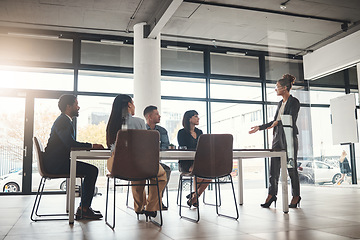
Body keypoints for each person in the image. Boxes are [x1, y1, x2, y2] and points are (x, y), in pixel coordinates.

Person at [44, 94, 104, 220]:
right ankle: (84, 209)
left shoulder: (64, 121)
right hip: (56, 164)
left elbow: (68, 143)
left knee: (91, 170)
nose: (78, 107)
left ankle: (84, 208)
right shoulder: (63, 121)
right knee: (92, 170)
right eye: (76, 104)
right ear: (68, 106)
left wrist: (89, 146)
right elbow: (70, 143)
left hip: (57, 162)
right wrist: (92, 145)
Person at [106, 94, 167, 218]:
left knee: (136, 174)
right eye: (133, 103)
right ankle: (150, 207)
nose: (134, 106)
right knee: (160, 175)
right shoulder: (139, 122)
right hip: (137, 162)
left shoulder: (111, 124)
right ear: (129, 105)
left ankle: (139, 207)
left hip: (116, 164)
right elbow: (144, 146)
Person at [249, 74, 301, 208]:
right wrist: (260, 127)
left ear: (285, 88)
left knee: (291, 168)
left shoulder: (294, 102)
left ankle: (296, 196)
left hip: (289, 137)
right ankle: (271, 195)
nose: (275, 89)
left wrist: (278, 121)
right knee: (274, 168)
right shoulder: (280, 103)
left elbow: (290, 118)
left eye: (277, 87)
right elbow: (274, 121)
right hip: (277, 137)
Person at [177, 110, 211, 208]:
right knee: (200, 173)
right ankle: (195, 198)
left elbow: (203, 147)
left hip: (199, 162)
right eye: (196, 116)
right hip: (186, 163)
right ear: (189, 119)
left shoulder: (200, 132)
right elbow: (183, 148)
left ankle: (195, 197)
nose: (198, 118)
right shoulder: (182, 133)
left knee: (210, 174)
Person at [143, 105, 171, 210]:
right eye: (157, 114)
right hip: (142, 163)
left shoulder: (162, 131)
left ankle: (157, 200)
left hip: (155, 163)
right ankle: (152, 202)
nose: (160, 116)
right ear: (149, 116)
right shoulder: (141, 129)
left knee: (166, 170)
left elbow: (165, 145)